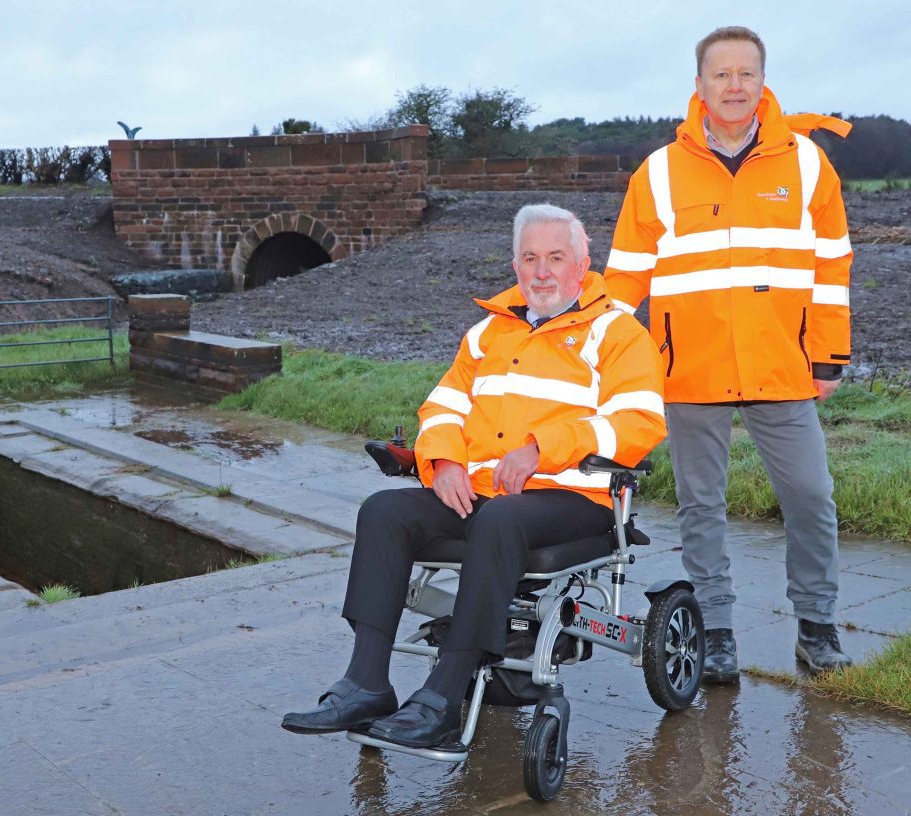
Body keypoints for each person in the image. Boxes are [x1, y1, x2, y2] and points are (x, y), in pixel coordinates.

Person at [281, 203, 667, 748]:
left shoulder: (618, 334)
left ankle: (443, 695)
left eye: (556, 257)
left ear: (583, 265)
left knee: (501, 521)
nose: (542, 271)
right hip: (487, 494)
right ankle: (366, 682)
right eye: (530, 258)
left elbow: (640, 420)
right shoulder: (488, 333)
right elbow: (442, 408)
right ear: (515, 265)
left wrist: (543, 448)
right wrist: (443, 463)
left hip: (573, 495)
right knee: (383, 511)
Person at [604, 26, 854, 682]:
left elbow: (832, 266)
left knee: (810, 495)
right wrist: (595, 351)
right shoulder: (657, 173)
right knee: (700, 504)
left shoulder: (806, 164)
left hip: (782, 363)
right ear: (700, 87)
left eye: (746, 74)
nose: (734, 86)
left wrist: (828, 355)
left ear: (762, 83)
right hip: (690, 365)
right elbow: (625, 275)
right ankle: (715, 630)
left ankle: (817, 625)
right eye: (722, 75)